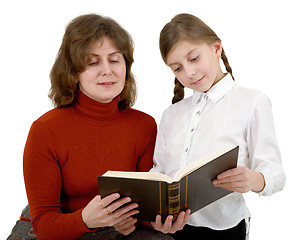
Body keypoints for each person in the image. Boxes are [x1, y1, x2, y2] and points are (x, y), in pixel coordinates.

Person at [21, 13, 159, 240]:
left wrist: (158, 224)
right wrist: (86, 220)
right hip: (59, 230)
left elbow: (143, 210)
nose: (107, 70)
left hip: (115, 230)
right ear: (73, 72)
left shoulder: (144, 125)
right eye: (93, 62)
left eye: (114, 60)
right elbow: (44, 225)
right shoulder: (45, 131)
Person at [150, 13, 286, 239]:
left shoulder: (252, 102)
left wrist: (253, 179)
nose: (189, 73)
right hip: (173, 231)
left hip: (225, 229)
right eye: (177, 68)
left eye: (194, 58)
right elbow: (160, 173)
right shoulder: (171, 114)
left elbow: (276, 173)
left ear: (216, 48)